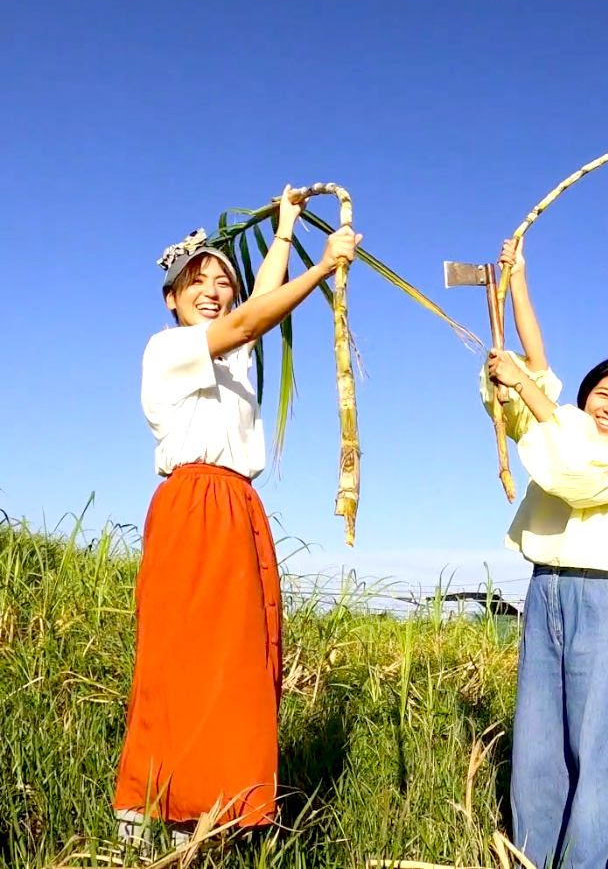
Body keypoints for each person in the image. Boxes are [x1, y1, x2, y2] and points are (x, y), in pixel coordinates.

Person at [113, 188, 360, 847]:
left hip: (238, 506)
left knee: (242, 663)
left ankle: (218, 810)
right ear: (172, 296)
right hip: (192, 503)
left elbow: (251, 315)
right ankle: (149, 809)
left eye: (224, 280)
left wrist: (283, 233)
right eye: (199, 281)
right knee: (178, 657)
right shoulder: (169, 350)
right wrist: (323, 264)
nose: (215, 289)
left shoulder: (229, 357)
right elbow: (249, 321)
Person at [480, 238, 608, 869]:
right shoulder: (558, 420)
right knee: (538, 744)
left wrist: (525, 386)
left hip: (604, 598)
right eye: (603, 394)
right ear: (585, 397)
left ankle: (604, 861)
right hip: (545, 589)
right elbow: (537, 363)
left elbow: (573, 473)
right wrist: (517, 280)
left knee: (600, 740)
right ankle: (538, 856)